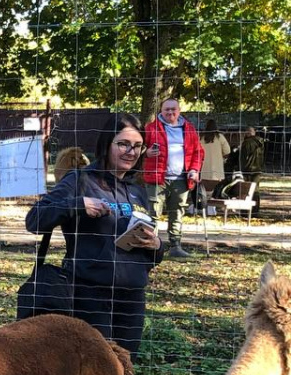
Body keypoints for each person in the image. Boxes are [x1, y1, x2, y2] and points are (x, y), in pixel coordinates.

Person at [27, 114, 164, 358]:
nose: (131, 152)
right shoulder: (80, 180)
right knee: (94, 374)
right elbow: (35, 220)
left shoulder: (137, 190)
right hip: (89, 296)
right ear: (106, 144)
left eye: (137, 146)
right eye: (123, 144)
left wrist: (156, 245)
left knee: (124, 370)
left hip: (131, 300)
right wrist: (78, 204)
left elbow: (152, 257)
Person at [142, 97, 203, 258]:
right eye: (166, 109)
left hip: (181, 179)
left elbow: (198, 152)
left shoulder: (189, 129)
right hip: (156, 179)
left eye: (173, 109)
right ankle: (149, 246)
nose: (170, 112)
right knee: (153, 212)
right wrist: (145, 153)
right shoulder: (150, 128)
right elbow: (139, 147)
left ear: (179, 111)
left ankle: (175, 245)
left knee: (177, 212)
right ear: (160, 111)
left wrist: (195, 169)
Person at [238, 126, 265, 214]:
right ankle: (255, 210)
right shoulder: (261, 142)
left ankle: (244, 211)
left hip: (247, 169)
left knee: (245, 190)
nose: (247, 133)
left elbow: (242, 158)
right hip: (257, 169)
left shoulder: (246, 143)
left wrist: (241, 169)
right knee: (255, 190)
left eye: (247, 131)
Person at [199, 119, 230, 183]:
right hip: (217, 173)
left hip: (205, 172)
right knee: (216, 191)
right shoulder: (220, 137)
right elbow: (227, 151)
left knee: (205, 191)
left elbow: (199, 153)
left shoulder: (202, 139)